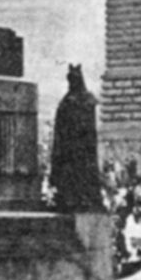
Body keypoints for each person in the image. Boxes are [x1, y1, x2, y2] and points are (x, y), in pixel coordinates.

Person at [49, 65, 105, 213]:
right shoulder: (68, 101)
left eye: (74, 79)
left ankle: (80, 199)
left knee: (81, 176)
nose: (72, 82)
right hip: (71, 149)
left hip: (81, 148)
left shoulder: (80, 101)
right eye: (70, 79)